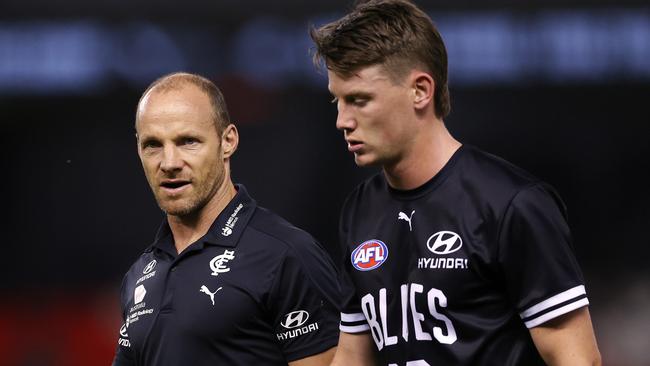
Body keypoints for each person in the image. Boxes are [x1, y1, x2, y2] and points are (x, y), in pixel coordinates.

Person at [310, 1, 601, 365]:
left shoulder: (510, 205)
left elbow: (577, 359)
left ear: (420, 90)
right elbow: (354, 356)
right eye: (337, 100)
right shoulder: (358, 210)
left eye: (358, 100)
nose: (342, 120)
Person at [112, 72, 339, 366]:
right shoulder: (139, 275)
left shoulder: (286, 255)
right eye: (153, 145)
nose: (168, 163)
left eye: (188, 141)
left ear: (228, 141)